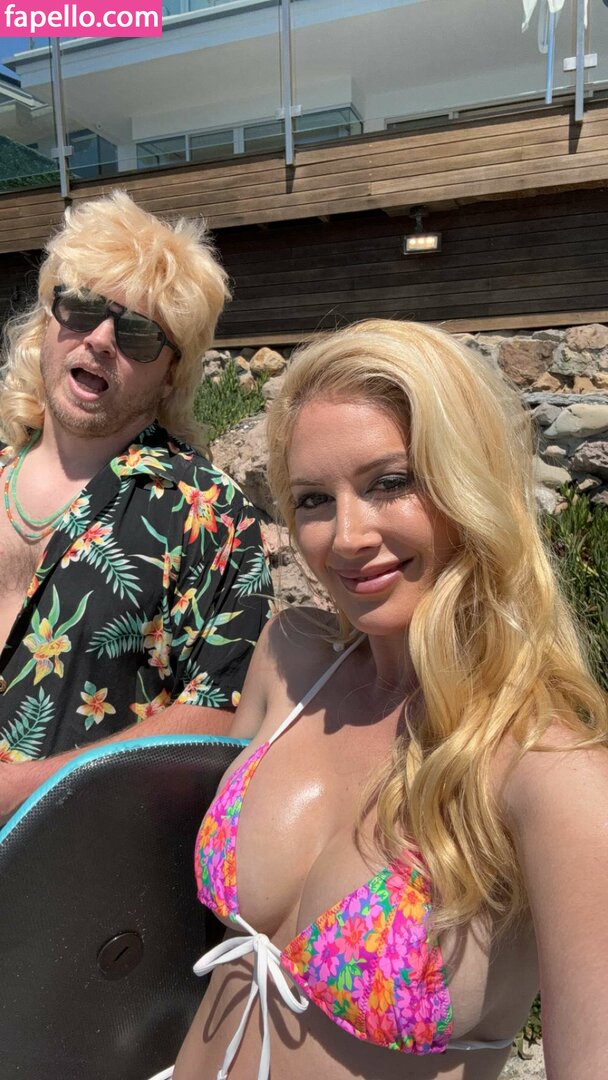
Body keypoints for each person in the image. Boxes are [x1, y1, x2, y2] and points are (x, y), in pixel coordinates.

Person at [171, 320, 608, 1080]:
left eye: (389, 483)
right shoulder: (290, 662)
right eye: (314, 498)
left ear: (469, 482)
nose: (346, 536)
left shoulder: (548, 772)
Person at [0, 191, 272, 823]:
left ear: (172, 372)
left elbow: (220, 712)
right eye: (81, 307)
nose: (99, 338)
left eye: (138, 334)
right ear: (48, 320)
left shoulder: (211, 514)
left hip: (68, 858)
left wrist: (21, 790)